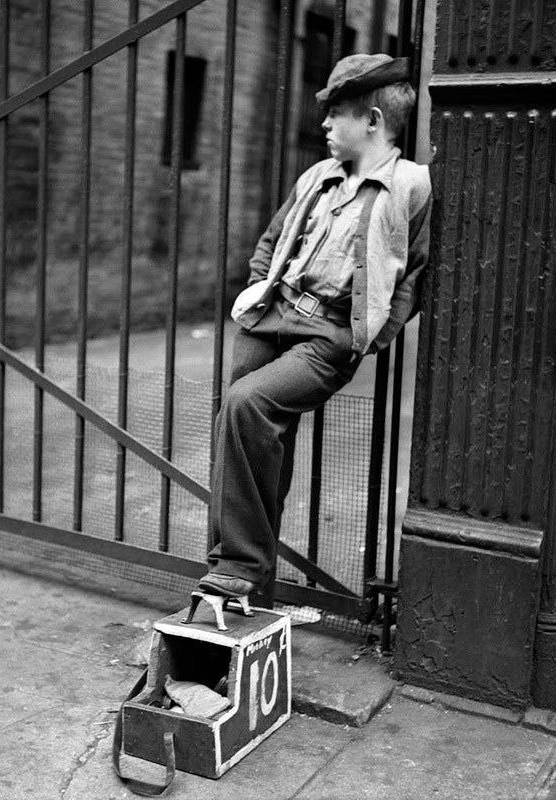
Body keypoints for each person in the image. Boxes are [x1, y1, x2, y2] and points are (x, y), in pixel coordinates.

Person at [197, 53, 433, 605]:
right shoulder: (316, 177)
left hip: (329, 334)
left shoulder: (411, 185)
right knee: (248, 432)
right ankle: (244, 579)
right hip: (273, 315)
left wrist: (369, 334)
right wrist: (261, 288)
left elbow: (417, 273)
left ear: (373, 120)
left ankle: (237, 565)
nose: (324, 126)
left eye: (337, 115)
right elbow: (270, 241)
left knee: (247, 404)